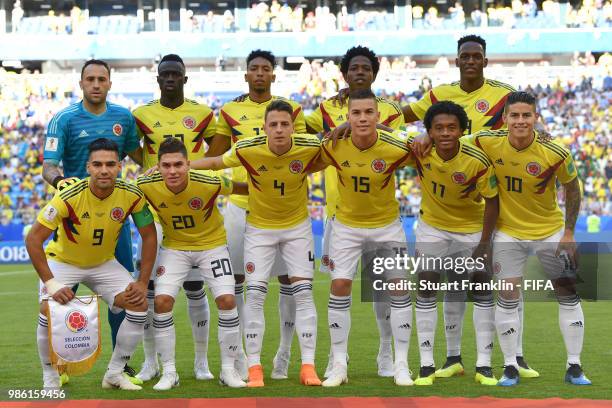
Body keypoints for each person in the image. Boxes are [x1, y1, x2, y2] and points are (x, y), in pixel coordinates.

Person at [404, 35, 539, 380]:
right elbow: (400, 116)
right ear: (457, 60)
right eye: (465, 56)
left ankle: (515, 356)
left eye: (476, 56)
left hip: (492, 193)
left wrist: (546, 134)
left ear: (485, 60)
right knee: (446, 285)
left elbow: (526, 120)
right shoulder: (439, 95)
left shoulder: (504, 94)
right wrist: (422, 134)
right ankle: (449, 359)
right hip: (444, 203)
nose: (470, 61)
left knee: (504, 280)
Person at [190, 100, 322, 388]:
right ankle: (255, 367)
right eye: (273, 124)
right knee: (256, 294)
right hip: (259, 230)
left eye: (284, 124)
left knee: (303, 293)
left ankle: (308, 366)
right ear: (264, 127)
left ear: (292, 126)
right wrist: (180, 166)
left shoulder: (309, 146)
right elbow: (214, 163)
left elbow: (339, 152)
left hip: (297, 229)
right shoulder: (248, 148)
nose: (278, 130)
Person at [472, 92, 589, 386]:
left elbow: (572, 189)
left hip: (549, 231)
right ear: (505, 119)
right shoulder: (487, 141)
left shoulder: (555, 152)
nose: (521, 121)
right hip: (508, 233)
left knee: (566, 290)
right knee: (508, 294)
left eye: (527, 115)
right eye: (515, 115)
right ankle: (510, 366)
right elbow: (447, 138)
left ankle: (574, 365)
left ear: (536, 118)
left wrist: (569, 232)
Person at [205, 49, 307, 380]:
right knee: (235, 280)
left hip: (282, 210)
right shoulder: (230, 111)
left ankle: (284, 355)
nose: (260, 73)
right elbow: (215, 156)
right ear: (246, 75)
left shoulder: (291, 110)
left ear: (274, 75)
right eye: (254, 69)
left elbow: (303, 153)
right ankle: (236, 359)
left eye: (266, 69)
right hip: (241, 208)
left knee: (289, 282)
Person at [42, 59, 143, 384]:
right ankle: (58, 367)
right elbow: (49, 166)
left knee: (126, 294)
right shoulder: (64, 119)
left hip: (114, 216)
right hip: (73, 215)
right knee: (58, 298)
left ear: (110, 83)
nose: (96, 84)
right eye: (91, 79)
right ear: (81, 83)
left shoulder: (123, 118)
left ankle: (119, 367)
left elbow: (141, 157)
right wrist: (61, 184)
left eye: (102, 79)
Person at [306, 46, 406, 378]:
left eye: (366, 67)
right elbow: (306, 140)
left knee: (382, 288)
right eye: (353, 68)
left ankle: (386, 352)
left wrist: (363, 130)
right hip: (340, 214)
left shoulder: (390, 110)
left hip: (381, 213)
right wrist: (329, 133)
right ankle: (338, 360)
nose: (359, 72)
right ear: (344, 73)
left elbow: (398, 145)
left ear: (374, 73)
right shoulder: (324, 108)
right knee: (340, 285)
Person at [27, 138, 157, 390]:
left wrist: (141, 282)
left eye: (110, 164)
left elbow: (149, 235)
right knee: (47, 309)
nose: (104, 170)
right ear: (88, 167)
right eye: (97, 164)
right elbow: (33, 238)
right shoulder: (69, 195)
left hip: (102, 264)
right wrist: (51, 283)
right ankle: (51, 376)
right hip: (63, 262)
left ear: (120, 166)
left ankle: (114, 373)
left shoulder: (132, 195)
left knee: (139, 304)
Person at [132, 54, 217, 382]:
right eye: (164, 74)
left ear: (185, 79)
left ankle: (201, 362)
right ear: (157, 79)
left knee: (196, 289)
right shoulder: (141, 115)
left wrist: (195, 171)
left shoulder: (202, 114)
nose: (169, 79)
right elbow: (132, 149)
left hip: (193, 212)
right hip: (153, 210)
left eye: (175, 74)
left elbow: (218, 150)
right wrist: (146, 167)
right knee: (150, 291)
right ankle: (151, 361)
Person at [136, 138, 247, 390]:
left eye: (178, 164)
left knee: (227, 300)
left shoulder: (210, 182)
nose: (172, 171)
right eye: (166, 165)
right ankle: (169, 372)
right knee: (162, 302)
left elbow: (243, 188)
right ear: (158, 166)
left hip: (212, 246)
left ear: (188, 164)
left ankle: (228, 371)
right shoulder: (145, 184)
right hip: (174, 248)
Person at [403, 101, 499, 386]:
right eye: (438, 128)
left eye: (451, 127)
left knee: (480, 287)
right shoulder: (419, 150)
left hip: (471, 229)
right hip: (433, 227)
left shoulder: (478, 161)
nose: (445, 133)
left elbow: (493, 203)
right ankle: (426, 365)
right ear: (429, 131)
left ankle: (484, 364)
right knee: (427, 284)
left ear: (461, 130)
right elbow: (381, 136)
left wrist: (484, 243)